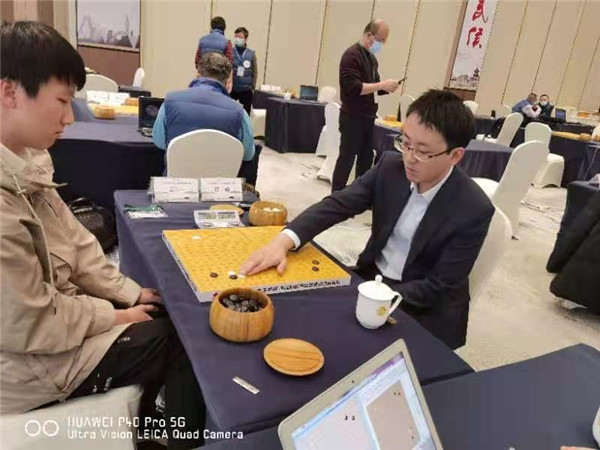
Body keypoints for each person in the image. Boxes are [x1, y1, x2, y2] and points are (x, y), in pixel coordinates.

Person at [0, 21, 205, 448]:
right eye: (61, 101)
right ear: (10, 92)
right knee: (177, 340)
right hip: (27, 367)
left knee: (159, 309)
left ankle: (148, 423)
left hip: (48, 325)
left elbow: (75, 243)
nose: (70, 117)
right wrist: (116, 315)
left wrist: (128, 292)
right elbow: (35, 323)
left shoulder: (27, 162)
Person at [240, 90, 495, 350]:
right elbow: (338, 204)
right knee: (299, 313)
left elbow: (440, 285)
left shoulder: (473, 208)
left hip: (423, 309)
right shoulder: (390, 168)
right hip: (372, 278)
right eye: (405, 143)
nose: (409, 157)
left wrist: (376, 298)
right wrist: (284, 240)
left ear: (455, 156)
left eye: (422, 152)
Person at [152, 52, 255, 172]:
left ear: (197, 75)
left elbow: (159, 142)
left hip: (177, 181)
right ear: (227, 83)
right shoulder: (240, 113)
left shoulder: (169, 102)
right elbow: (248, 154)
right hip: (221, 182)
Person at [332, 19, 401, 192]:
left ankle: (359, 193)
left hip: (367, 117)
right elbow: (354, 88)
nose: (381, 44)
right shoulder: (351, 55)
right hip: (352, 116)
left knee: (366, 158)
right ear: (369, 35)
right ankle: (336, 195)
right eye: (380, 40)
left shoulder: (371, 59)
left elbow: (374, 86)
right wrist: (382, 85)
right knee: (347, 158)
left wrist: (389, 87)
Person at [230, 26, 257, 114]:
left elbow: (255, 72)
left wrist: (253, 87)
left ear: (245, 39)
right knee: (228, 112)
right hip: (232, 88)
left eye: (240, 37)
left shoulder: (251, 54)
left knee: (246, 114)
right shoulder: (230, 52)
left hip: (246, 89)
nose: (237, 39)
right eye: (236, 36)